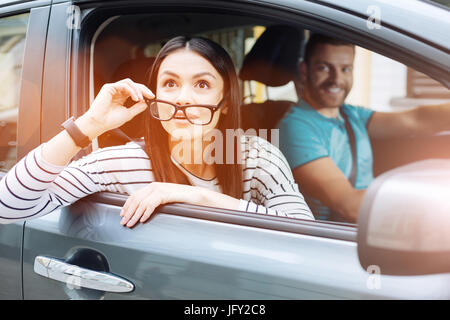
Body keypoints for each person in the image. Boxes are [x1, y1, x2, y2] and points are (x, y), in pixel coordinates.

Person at [0, 36, 313, 227]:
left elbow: (305, 234)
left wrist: (197, 196)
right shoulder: (121, 164)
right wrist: (88, 125)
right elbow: (7, 207)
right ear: (156, 95)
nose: (182, 98)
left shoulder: (256, 157)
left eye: (202, 84)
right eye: (170, 83)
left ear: (226, 102)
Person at [278, 33, 450, 223]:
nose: (336, 79)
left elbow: (416, 120)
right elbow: (349, 205)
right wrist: (435, 202)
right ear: (304, 70)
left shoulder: (350, 114)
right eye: (324, 68)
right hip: (333, 236)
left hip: (367, 224)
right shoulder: (295, 127)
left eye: (345, 69)